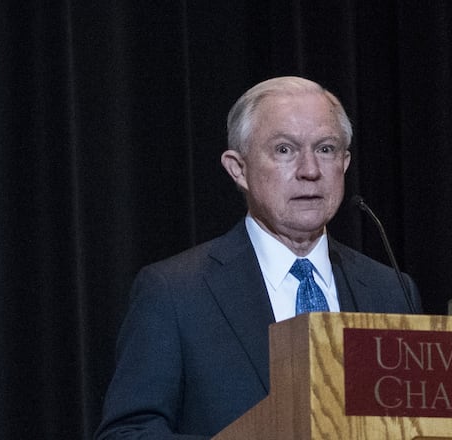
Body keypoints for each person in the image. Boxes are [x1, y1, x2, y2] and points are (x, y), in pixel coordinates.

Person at [94, 76, 422, 439]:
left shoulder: (390, 290)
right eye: (284, 150)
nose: (310, 170)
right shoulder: (175, 292)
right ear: (238, 169)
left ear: (344, 163)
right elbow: (127, 433)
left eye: (326, 149)